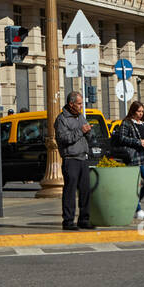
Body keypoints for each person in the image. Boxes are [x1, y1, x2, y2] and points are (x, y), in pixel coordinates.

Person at [55, 92, 93, 230]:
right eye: (79, 104)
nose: (81, 106)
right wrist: (81, 131)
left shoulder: (81, 117)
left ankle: (84, 219)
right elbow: (64, 138)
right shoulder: (62, 119)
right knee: (70, 191)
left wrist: (89, 132)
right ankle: (68, 221)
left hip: (83, 157)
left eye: (82, 103)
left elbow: (86, 134)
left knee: (85, 190)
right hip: (71, 159)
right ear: (71, 104)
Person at [117, 100, 144, 220]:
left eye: (142, 111)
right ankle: (137, 209)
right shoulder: (126, 123)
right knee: (135, 186)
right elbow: (122, 138)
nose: (140, 114)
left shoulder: (143, 124)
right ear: (133, 111)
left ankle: (134, 204)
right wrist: (138, 142)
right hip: (132, 158)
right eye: (138, 111)